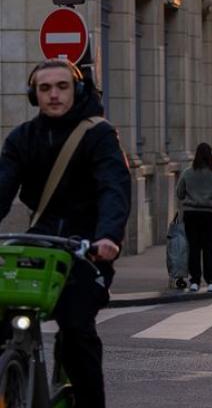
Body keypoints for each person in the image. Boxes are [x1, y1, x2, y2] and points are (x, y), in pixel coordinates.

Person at [0, 59, 131, 408]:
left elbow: (113, 188)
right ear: (34, 95)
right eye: (45, 89)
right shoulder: (22, 139)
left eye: (62, 87)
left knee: (76, 330)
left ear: (78, 90)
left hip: (88, 245)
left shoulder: (98, 135)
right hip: (42, 241)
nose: (54, 95)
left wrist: (108, 237)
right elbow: (1, 189)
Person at [175, 143, 212, 292]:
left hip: (192, 214)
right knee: (209, 248)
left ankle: (195, 281)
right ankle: (211, 281)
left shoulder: (187, 173)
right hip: (211, 214)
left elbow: (179, 193)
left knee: (194, 247)